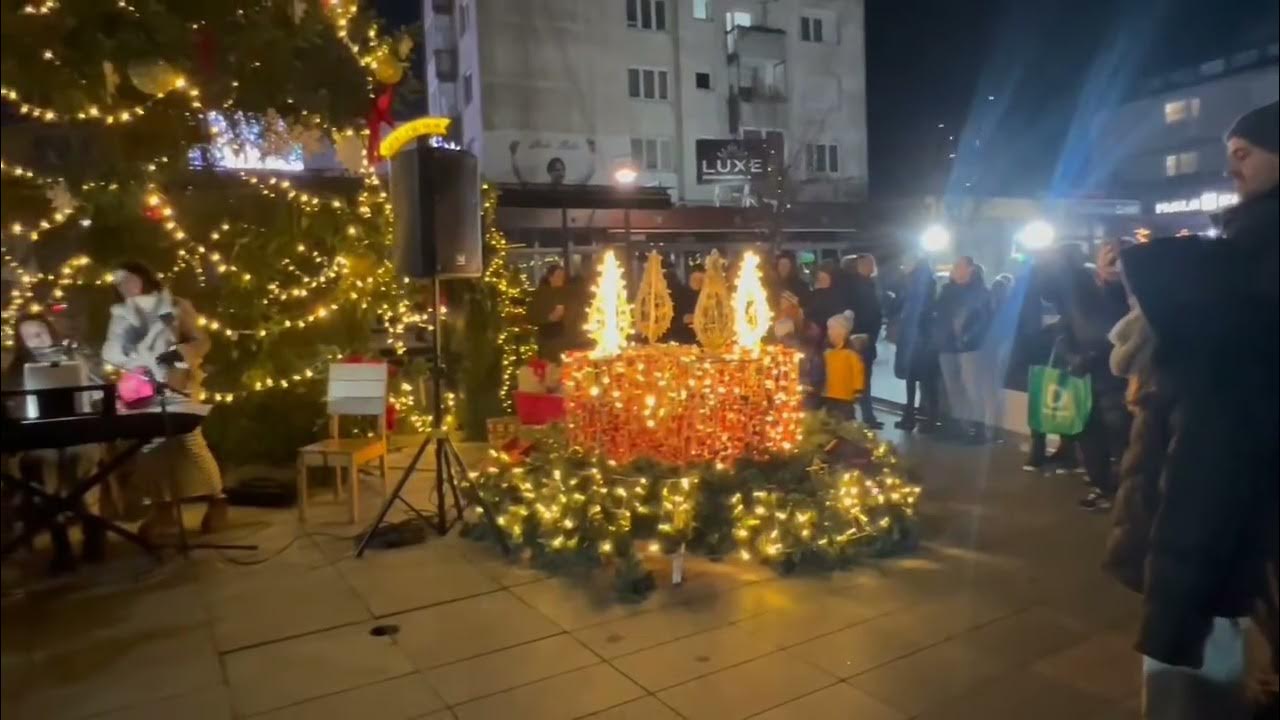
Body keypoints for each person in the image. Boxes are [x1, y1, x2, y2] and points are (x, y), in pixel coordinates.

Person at [1110, 101, 1277, 720]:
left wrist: (1176, 604)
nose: (1231, 167)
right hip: (1219, 530)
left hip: (1211, 533)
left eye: (1245, 153)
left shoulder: (1247, 271)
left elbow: (1213, 450)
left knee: (1196, 681)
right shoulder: (1242, 256)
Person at [102, 261, 226, 542]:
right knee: (149, 446)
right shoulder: (121, 316)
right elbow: (113, 350)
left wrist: (179, 354)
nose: (126, 287)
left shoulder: (176, 305)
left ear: (144, 279)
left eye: (130, 280)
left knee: (190, 439)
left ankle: (218, 500)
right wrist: (129, 361)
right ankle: (163, 509)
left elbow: (201, 341)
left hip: (178, 382)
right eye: (120, 283)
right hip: (141, 387)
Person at [2, 313, 105, 572]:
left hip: (79, 431)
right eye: (29, 336)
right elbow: (8, 407)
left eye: (40, 332)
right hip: (38, 437)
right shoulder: (15, 370)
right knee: (43, 463)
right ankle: (61, 542)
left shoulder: (74, 357)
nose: (37, 339)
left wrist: (83, 369)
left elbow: (99, 391)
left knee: (84, 457)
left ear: (50, 331)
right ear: (22, 342)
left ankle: (93, 528)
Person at [1056, 240, 1131, 511]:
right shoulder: (1081, 290)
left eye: (1117, 257)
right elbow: (1065, 328)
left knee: (1123, 438)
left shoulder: (1135, 291)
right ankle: (1101, 487)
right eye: (1107, 256)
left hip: (1117, 378)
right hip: (1084, 377)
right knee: (1089, 438)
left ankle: (1126, 496)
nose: (1111, 263)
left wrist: (1117, 283)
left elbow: (1123, 330)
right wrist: (1073, 357)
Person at [933, 256, 992, 442]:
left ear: (970, 269)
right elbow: (939, 315)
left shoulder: (980, 292)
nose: (954, 269)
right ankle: (961, 426)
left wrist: (967, 337)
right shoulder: (946, 291)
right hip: (947, 346)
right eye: (954, 266)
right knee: (953, 388)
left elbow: (984, 320)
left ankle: (979, 428)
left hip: (970, 347)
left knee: (972, 388)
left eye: (959, 266)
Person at [892, 254, 939, 431]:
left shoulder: (915, 286)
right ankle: (926, 417)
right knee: (924, 380)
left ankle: (912, 416)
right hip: (921, 338)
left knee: (915, 379)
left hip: (916, 338)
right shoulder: (926, 284)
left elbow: (911, 313)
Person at [849, 255, 884, 428]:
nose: (872, 266)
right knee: (860, 378)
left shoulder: (870, 284)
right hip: (860, 337)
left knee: (865, 378)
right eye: (869, 263)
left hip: (868, 336)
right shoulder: (856, 286)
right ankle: (864, 415)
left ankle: (867, 415)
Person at [812, 311, 865, 421]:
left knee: (844, 419)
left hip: (844, 396)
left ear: (841, 332)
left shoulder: (850, 354)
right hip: (828, 393)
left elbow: (857, 372)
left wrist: (858, 390)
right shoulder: (827, 352)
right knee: (829, 418)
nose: (829, 332)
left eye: (831, 329)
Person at [528, 264, 575, 361]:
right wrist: (549, 318)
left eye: (563, 276)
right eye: (558, 276)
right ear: (550, 277)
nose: (561, 279)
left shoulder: (567, 293)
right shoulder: (539, 295)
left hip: (566, 340)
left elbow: (574, 312)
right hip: (548, 341)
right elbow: (531, 317)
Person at [669, 264, 704, 344]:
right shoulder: (678, 295)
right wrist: (682, 320)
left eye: (701, 281)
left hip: (704, 341)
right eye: (695, 280)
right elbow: (669, 322)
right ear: (690, 278)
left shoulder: (709, 297)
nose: (698, 283)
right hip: (682, 339)